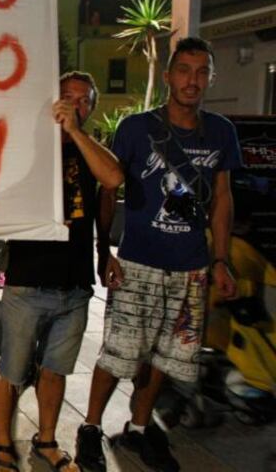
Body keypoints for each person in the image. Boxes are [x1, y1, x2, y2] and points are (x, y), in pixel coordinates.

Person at [75, 37, 242, 472]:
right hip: (137, 262)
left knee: (165, 357)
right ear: (168, 76)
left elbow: (222, 198)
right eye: (184, 70)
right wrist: (104, 249)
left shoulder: (221, 131)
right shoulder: (135, 128)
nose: (193, 80)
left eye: (202, 71)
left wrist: (220, 259)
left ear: (210, 78)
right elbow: (109, 189)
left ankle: (140, 426)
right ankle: (90, 427)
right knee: (118, 352)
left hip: (190, 268)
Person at [0, 72, 122, 472]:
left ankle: (46, 439)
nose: (75, 104)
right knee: (12, 369)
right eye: (67, 97)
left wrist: (76, 133)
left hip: (74, 284)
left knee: (56, 369)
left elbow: (113, 179)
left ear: (91, 108)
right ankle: (0, 444)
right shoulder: (29, 145)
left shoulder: (89, 148)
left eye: (83, 100)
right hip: (28, 280)